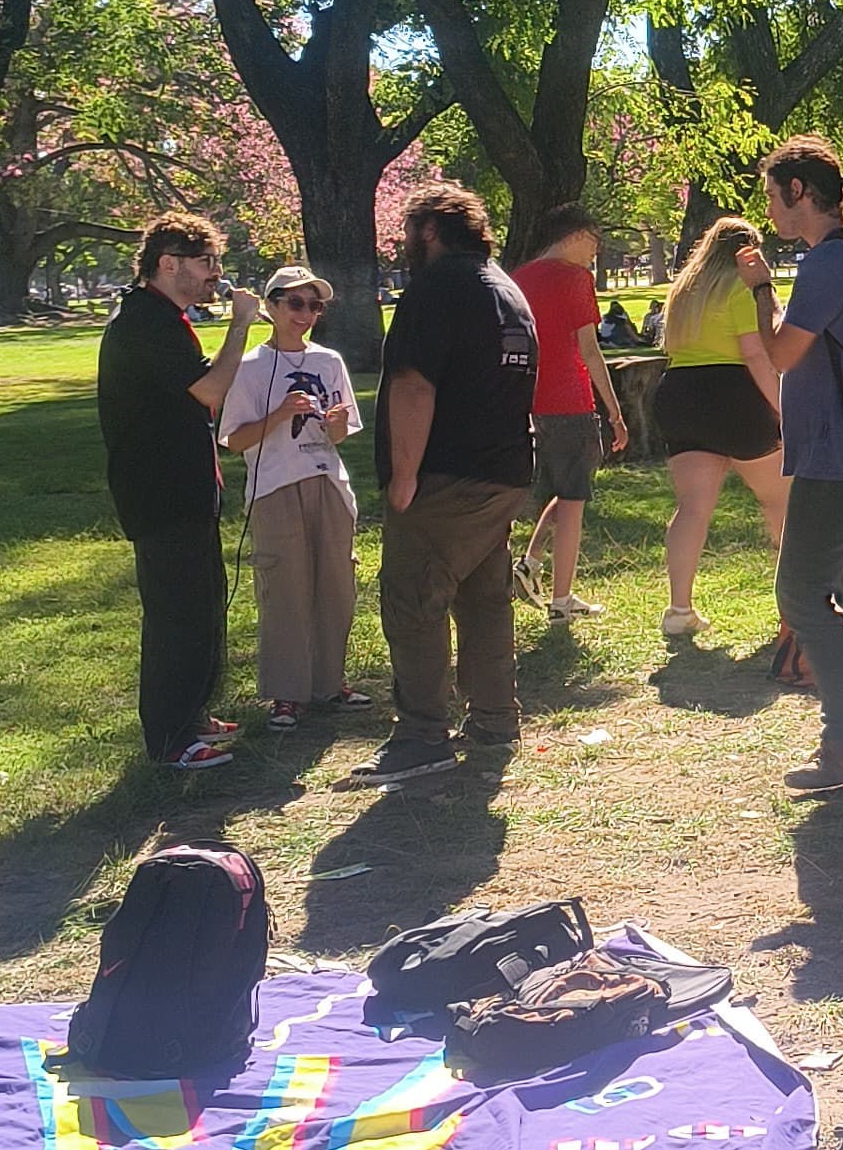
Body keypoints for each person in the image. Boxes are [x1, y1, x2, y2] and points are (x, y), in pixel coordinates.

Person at [351, 184, 537, 791]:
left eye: (410, 231)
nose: (405, 244)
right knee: (483, 598)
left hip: (447, 478)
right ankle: (492, 718)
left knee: (412, 598)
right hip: (504, 471)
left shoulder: (436, 287)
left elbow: (412, 385)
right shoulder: (506, 288)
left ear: (430, 229)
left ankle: (422, 736)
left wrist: (403, 477)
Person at [739, 138, 843, 798]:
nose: (771, 211)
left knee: (801, 596)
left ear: (799, 194)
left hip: (839, 457)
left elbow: (781, 353)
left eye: (773, 197)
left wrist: (761, 291)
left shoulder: (828, 264)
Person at [96, 213, 259, 773]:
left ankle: (192, 714)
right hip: (159, 495)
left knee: (205, 602)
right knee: (176, 615)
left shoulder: (165, 317)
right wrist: (240, 326)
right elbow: (210, 391)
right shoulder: (146, 320)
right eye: (205, 262)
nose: (216, 273)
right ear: (169, 265)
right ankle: (170, 737)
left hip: (186, 491)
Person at [219, 268, 365, 732]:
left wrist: (337, 422)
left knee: (336, 585)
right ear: (273, 306)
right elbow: (235, 441)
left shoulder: (329, 361)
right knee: (285, 590)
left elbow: (339, 435)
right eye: (296, 304)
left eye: (315, 306)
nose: (306, 314)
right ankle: (287, 693)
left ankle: (329, 682)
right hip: (275, 487)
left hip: (328, 484)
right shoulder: (250, 368)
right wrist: (281, 414)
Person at [653, 213, 789, 641]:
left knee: (692, 507)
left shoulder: (684, 291)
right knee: (780, 500)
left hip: (679, 394)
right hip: (735, 395)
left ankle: (679, 608)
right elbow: (755, 355)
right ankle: (798, 602)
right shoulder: (740, 289)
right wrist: (783, 408)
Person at [512, 205, 629, 624]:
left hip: (528, 400)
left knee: (566, 487)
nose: (595, 254)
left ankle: (531, 561)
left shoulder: (518, 278)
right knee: (575, 497)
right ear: (577, 235)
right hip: (569, 399)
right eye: (595, 244)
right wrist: (615, 412)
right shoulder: (576, 278)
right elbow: (589, 349)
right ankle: (561, 600)